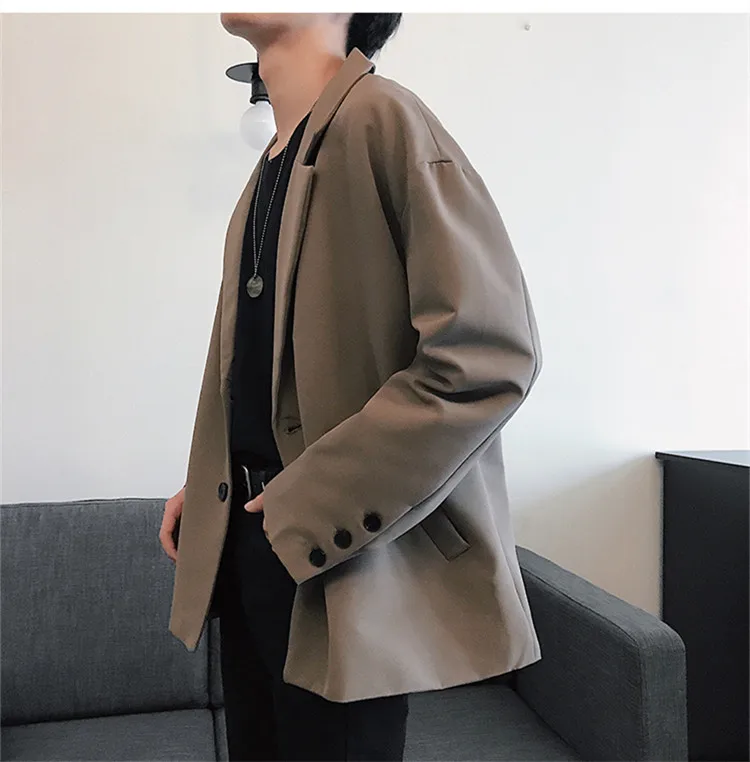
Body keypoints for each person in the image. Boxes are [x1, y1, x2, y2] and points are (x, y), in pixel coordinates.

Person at [160, 12, 544, 762]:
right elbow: (272, 366)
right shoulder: (274, 161)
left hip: (337, 560)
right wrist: (212, 482)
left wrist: (311, 500)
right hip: (251, 545)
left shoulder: (384, 120)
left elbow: (488, 356)